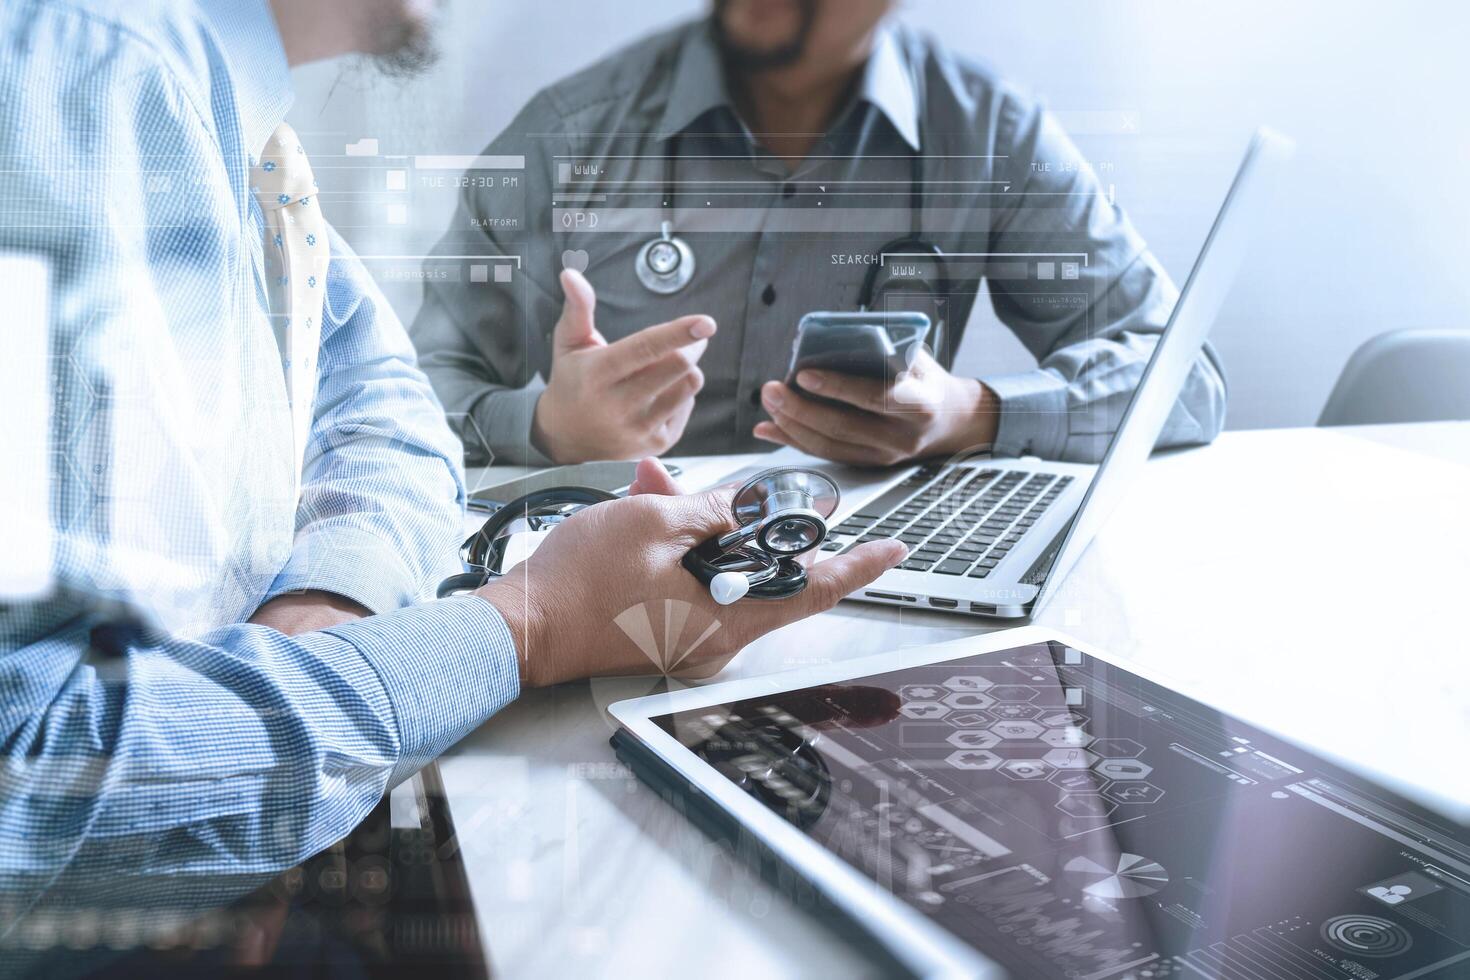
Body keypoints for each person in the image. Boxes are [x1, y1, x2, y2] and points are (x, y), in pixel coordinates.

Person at [0, 0, 904, 964]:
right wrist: (527, 624)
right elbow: (32, 791)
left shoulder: (244, 133)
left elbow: (383, 402)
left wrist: (325, 606)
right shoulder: (82, 76)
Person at [413, 0, 1226, 469]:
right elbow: (399, 404)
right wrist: (551, 430)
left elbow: (1185, 382)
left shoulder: (990, 135)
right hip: (611, 596)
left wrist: (973, 413)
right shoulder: (568, 136)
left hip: (878, 606)